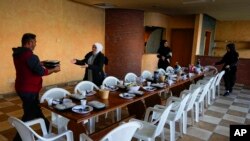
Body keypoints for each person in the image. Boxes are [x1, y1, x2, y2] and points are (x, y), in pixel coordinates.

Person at [12, 33, 61, 141]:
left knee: (35, 110)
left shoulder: (18, 53)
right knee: (29, 114)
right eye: (34, 42)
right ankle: (18, 138)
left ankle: (48, 129)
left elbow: (28, 65)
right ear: (29, 42)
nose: (35, 44)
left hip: (21, 87)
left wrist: (40, 62)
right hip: (29, 90)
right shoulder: (30, 55)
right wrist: (54, 70)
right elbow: (40, 71)